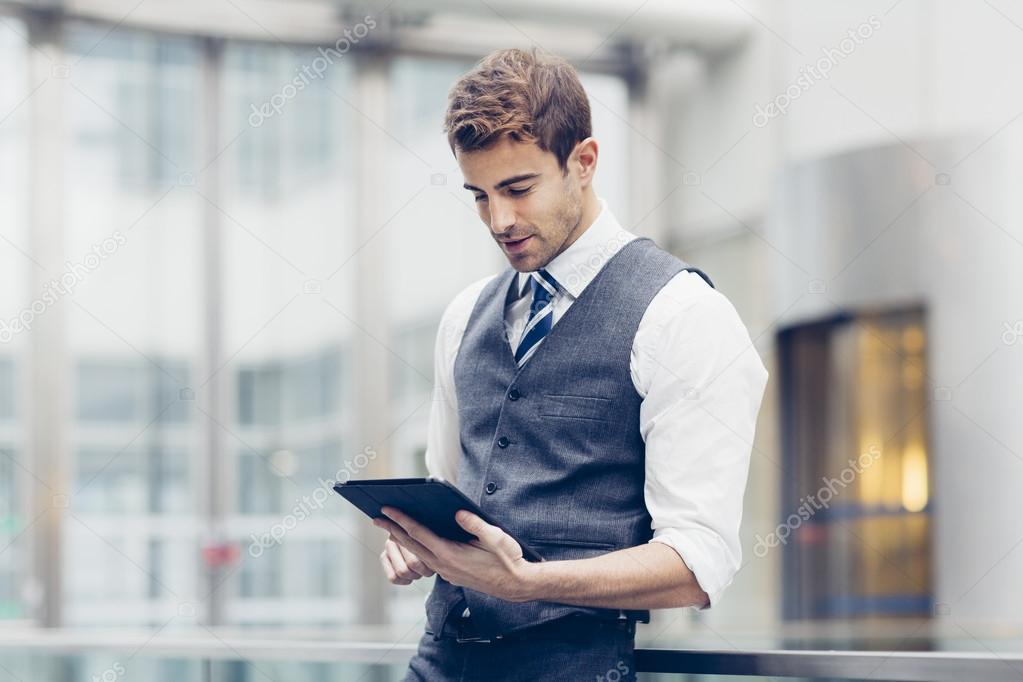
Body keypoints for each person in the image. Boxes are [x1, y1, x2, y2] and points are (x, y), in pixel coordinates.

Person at [373, 47, 768, 681]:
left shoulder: (683, 315)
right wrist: (416, 542)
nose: (499, 220)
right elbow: (448, 489)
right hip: (438, 663)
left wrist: (530, 582)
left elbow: (699, 561)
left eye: (518, 188)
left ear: (583, 162)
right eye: (479, 196)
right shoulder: (463, 316)